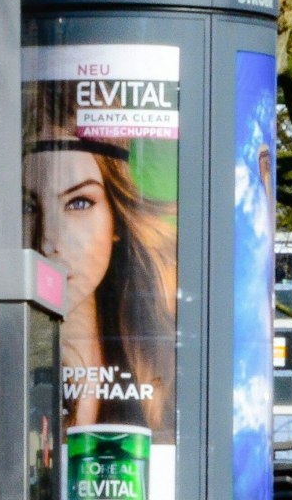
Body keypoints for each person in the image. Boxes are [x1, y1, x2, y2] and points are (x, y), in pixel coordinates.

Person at [24, 90, 179, 436]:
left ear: (116, 218)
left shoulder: (167, 359)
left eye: (78, 202)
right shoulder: (3, 368)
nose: (48, 241)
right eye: (28, 206)